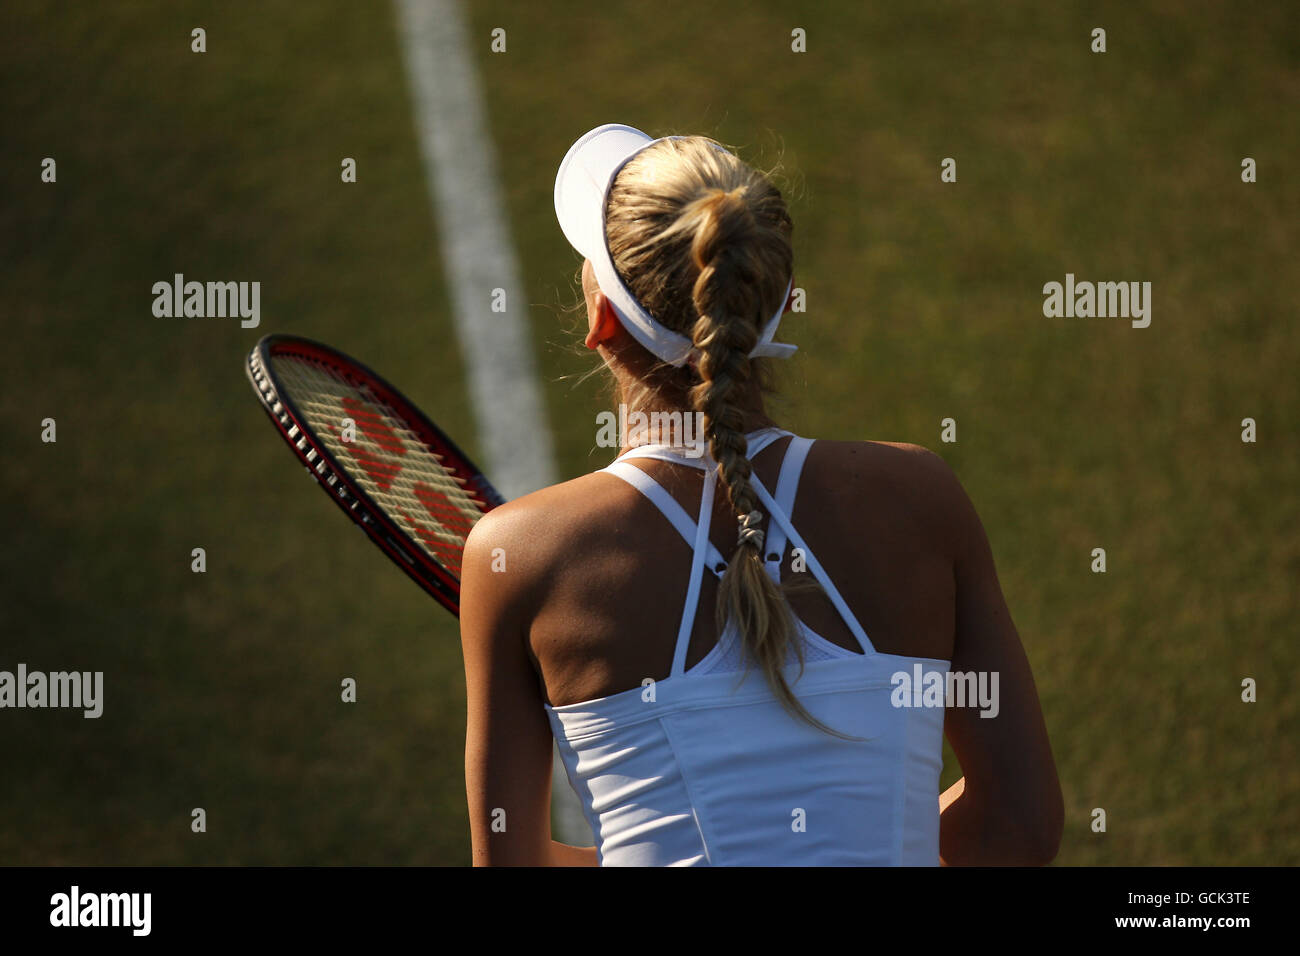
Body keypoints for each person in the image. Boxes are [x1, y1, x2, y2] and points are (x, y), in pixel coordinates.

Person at [459, 123, 1062, 866]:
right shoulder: (921, 499)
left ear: (600, 320)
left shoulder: (519, 554)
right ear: (773, 309)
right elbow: (1018, 829)